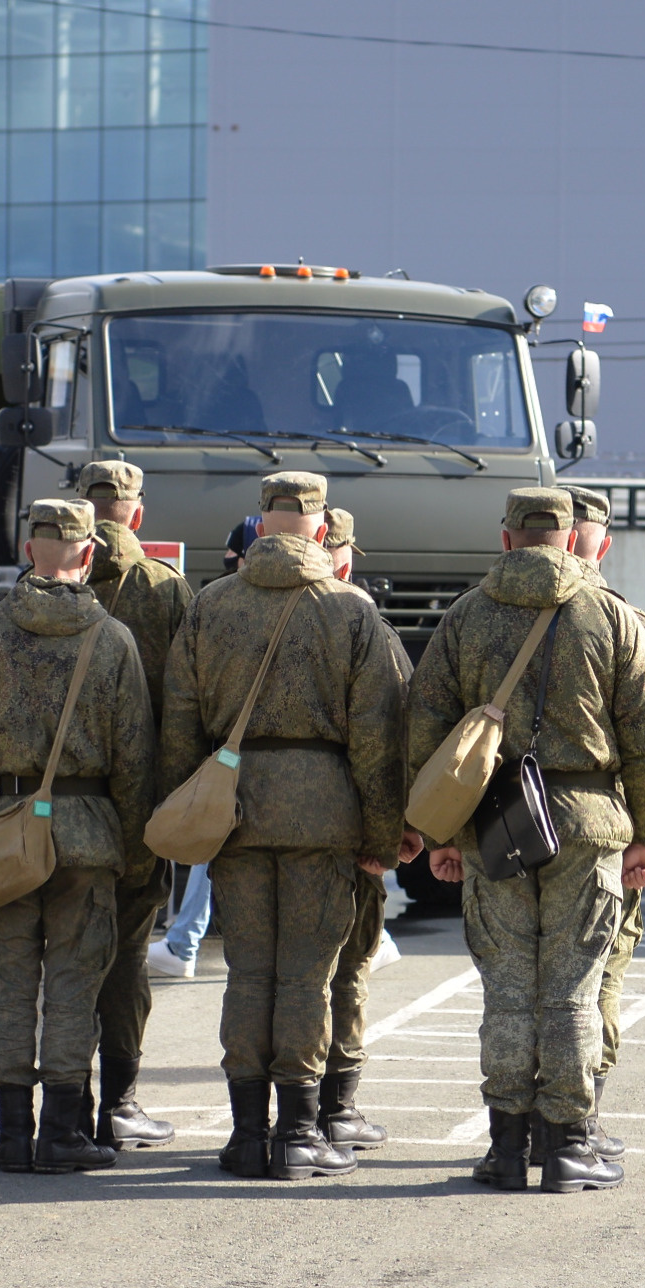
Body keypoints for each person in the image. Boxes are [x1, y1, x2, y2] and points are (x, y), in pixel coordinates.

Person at [408, 487, 645, 1194]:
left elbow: (426, 727)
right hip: (587, 826)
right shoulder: (613, 619)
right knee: (571, 992)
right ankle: (567, 1147)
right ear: (572, 540)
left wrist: (442, 832)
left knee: (505, 989)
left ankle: (504, 1149)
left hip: (494, 820)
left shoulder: (465, 618)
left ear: (506, 541)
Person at [159, 470, 412, 1182]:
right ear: (322, 526)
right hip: (325, 813)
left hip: (235, 809)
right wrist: (382, 836)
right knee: (306, 976)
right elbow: (376, 739)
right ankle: (300, 1134)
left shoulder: (211, 606)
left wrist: (183, 811)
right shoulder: (351, 612)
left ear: (261, 521)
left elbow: (180, 721)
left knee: (248, 971)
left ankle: (245, 1133)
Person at [0, 497, 153, 1172]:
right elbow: (134, 762)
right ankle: (62, 1130)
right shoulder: (112, 639)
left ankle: (9, 1132)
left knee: (9, 984)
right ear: (89, 554)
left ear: (30, 550)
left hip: (1, 826)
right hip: (86, 833)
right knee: (72, 985)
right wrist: (135, 850)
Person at [78, 457, 195, 1150]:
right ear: (138, 514)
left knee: (56, 954)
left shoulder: (40, 587)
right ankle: (118, 1102)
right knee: (124, 960)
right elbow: (187, 704)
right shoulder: (165, 591)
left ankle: (54, 1102)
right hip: (136, 809)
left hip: (45, 808)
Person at [567, 483, 645, 1160]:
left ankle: (517, 1128)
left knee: (523, 981)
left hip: (510, 835)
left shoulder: (483, 616)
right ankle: (578, 1122)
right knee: (598, 975)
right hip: (605, 830)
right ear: (603, 546)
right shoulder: (625, 623)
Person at [319, 507, 406, 1150]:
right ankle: (335, 1108)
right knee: (348, 968)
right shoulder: (368, 627)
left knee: (272, 972)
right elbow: (395, 740)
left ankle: (266, 1114)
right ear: (345, 559)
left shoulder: (235, 610)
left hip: (262, 825)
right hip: (349, 833)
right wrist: (391, 838)